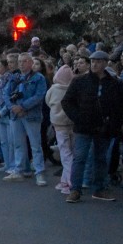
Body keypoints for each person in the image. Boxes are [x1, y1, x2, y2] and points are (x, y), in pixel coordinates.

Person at [62, 50, 123, 203]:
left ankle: (99, 188)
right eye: (92, 61)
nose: (94, 64)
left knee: (101, 158)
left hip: (104, 126)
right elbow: (67, 101)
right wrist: (78, 118)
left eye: (98, 61)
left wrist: (114, 125)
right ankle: (75, 190)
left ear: (105, 63)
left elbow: (121, 105)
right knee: (80, 158)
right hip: (84, 126)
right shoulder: (80, 81)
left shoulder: (114, 83)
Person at [6, 53, 50, 186]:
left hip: (31, 115)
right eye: (20, 61)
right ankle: (19, 170)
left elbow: (39, 96)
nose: (21, 64)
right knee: (18, 144)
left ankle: (39, 172)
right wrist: (13, 107)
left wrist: (22, 106)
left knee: (35, 145)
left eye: (24, 61)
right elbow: (6, 94)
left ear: (31, 63)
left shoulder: (39, 78)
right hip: (16, 115)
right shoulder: (15, 77)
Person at [45, 65, 76, 194]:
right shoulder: (73, 88)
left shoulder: (54, 89)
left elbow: (48, 101)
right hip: (72, 123)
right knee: (71, 151)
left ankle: (70, 182)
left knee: (65, 153)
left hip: (59, 124)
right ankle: (64, 180)